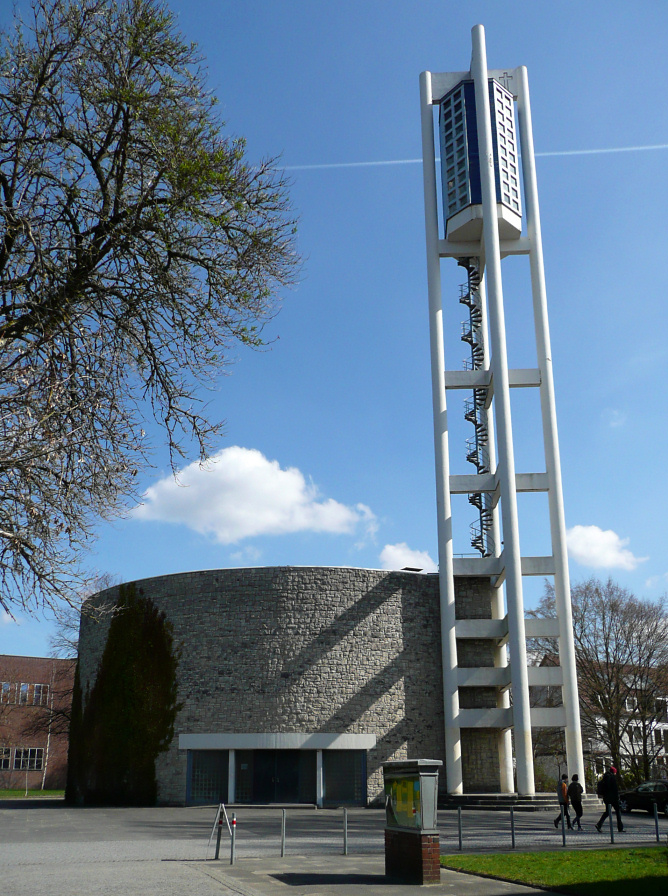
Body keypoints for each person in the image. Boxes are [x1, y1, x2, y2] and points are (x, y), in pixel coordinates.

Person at [595, 766, 624, 832]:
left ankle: (599, 824)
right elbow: (614, 789)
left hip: (606, 798)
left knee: (607, 812)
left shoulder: (604, 778)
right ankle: (620, 827)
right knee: (618, 811)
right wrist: (617, 797)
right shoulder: (612, 778)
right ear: (614, 772)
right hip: (613, 798)